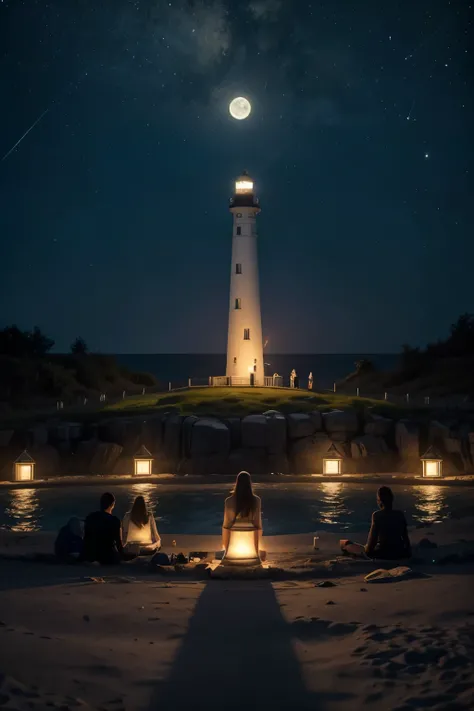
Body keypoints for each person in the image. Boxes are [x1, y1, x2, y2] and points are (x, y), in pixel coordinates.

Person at [340, 486, 411, 560]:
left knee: (344, 543)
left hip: (382, 553)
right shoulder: (400, 514)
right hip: (399, 552)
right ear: (392, 499)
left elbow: (372, 541)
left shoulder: (377, 515)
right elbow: (405, 538)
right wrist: (407, 553)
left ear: (379, 501)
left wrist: (366, 551)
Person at [222, 471, 262, 556]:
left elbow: (226, 526)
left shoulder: (229, 501)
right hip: (249, 543)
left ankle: (227, 552)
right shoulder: (256, 500)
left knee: (226, 527)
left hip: (233, 544)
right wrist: (256, 552)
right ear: (250, 483)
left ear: (237, 483)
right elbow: (257, 525)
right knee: (256, 527)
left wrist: (226, 551)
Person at [81, 492, 124, 564]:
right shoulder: (114, 520)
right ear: (112, 505)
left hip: (92, 554)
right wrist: (123, 555)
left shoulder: (90, 517)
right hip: (108, 556)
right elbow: (118, 542)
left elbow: (86, 539)